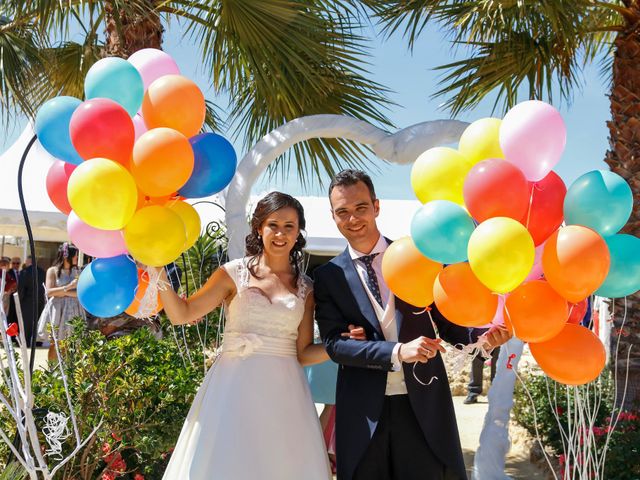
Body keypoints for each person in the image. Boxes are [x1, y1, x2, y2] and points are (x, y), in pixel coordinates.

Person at [314, 170, 512, 480]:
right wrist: (397, 351)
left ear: (376, 206)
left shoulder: (420, 256)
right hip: (363, 410)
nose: (353, 218)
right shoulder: (328, 277)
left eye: (361, 208)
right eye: (343, 212)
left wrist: (483, 336)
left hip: (423, 403)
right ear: (333, 216)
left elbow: (449, 322)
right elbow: (335, 345)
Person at [159, 192, 356, 480]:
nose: (280, 233)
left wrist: (339, 345)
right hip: (233, 388)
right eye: (273, 225)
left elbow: (303, 353)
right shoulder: (232, 273)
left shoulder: (306, 288)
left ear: (298, 232)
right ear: (258, 228)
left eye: (289, 226)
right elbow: (182, 314)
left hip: (285, 393)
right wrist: (157, 272)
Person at [37, 243, 85, 361]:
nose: (77, 258)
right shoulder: (52, 271)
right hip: (57, 310)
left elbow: (80, 293)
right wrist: (69, 287)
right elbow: (49, 292)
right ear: (66, 256)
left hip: (74, 309)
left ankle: (70, 372)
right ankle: (53, 371)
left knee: (73, 343)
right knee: (56, 342)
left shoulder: (78, 271)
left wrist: (64, 292)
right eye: (75, 255)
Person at [463, 331, 500, 404]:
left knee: (498, 359)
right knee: (477, 357)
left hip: (498, 325)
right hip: (480, 326)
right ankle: (473, 391)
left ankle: (497, 393)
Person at [17, 256, 46, 347]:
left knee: (27, 325)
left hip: (27, 302)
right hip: (40, 302)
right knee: (38, 323)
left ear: (29, 261)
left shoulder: (24, 272)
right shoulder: (42, 272)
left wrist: (19, 302)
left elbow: (21, 289)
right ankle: (38, 343)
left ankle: (26, 344)